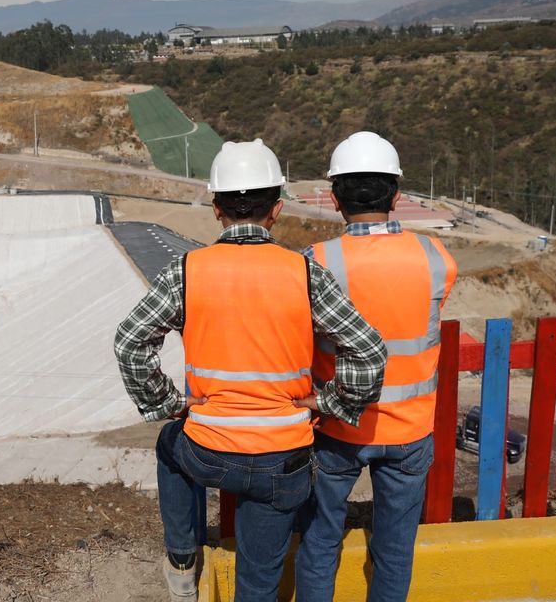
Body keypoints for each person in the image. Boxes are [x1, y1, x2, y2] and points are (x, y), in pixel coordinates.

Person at [114, 139, 388, 602]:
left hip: (208, 452)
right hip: (283, 461)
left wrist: (168, 402)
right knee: (259, 585)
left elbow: (130, 341)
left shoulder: (186, 270)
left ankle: (182, 559)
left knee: (168, 442)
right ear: (276, 210)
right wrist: (330, 402)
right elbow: (369, 351)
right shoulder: (304, 273)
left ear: (217, 209)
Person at [294, 131, 458, 602]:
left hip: (339, 426)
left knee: (321, 539)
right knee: (395, 546)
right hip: (410, 432)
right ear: (398, 195)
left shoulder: (318, 261)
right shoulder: (436, 258)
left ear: (334, 197)